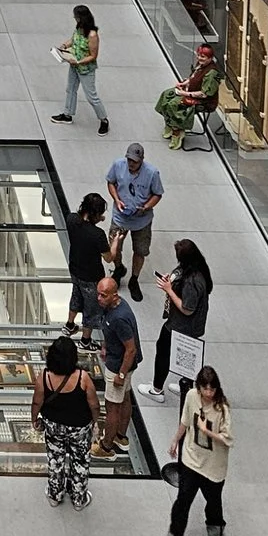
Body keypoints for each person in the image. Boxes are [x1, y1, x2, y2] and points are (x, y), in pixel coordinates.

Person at [159, 366, 232, 536]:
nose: (208, 393)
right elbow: (185, 420)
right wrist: (175, 440)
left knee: (213, 500)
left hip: (213, 464)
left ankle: (215, 526)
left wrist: (207, 431)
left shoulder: (221, 409)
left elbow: (227, 438)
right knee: (182, 499)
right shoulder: (191, 396)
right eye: (205, 388)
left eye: (212, 389)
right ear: (199, 387)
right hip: (191, 459)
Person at [33, 332, 100, 508]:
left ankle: (55, 495)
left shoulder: (44, 377)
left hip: (54, 426)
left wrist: (34, 419)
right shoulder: (82, 378)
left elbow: (37, 401)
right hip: (79, 427)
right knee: (80, 460)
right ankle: (78, 499)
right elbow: (94, 404)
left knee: (55, 459)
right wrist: (95, 422)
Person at [83, 274, 142, 457]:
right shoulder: (113, 308)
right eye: (98, 294)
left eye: (103, 295)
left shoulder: (119, 318)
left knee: (112, 407)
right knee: (124, 398)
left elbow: (130, 349)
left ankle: (106, 446)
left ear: (114, 295)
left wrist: (121, 374)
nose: (99, 299)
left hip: (119, 366)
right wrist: (106, 346)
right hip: (121, 362)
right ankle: (120, 436)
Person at [151, 237, 212, 394]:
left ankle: (156, 389)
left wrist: (169, 290)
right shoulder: (199, 269)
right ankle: (186, 385)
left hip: (181, 326)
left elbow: (187, 309)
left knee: (164, 353)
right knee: (187, 356)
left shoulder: (192, 281)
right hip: (190, 326)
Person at [104, 142, 164, 298]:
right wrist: (117, 199)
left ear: (142, 160)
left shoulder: (152, 173)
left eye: (135, 161)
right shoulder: (118, 165)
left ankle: (134, 279)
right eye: (129, 160)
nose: (131, 164)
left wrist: (146, 207)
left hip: (142, 220)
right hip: (120, 217)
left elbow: (157, 194)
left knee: (140, 250)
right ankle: (118, 268)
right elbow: (110, 182)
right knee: (114, 249)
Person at [52, 3, 109, 133]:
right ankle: (67, 114)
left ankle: (104, 119)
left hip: (85, 69)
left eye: (76, 17)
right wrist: (64, 46)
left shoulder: (92, 35)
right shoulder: (79, 28)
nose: (75, 19)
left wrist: (79, 62)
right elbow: (73, 40)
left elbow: (93, 56)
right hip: (74, 65)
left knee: (91, 96)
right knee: (70, 89)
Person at [63, 192, 111, 329]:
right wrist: (116, 243)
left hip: (75, 269)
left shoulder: (71, 219)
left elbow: (83, 223)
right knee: (92, 309)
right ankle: (86, 340)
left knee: (76, 296)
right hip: (91, 277)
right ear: (95, 214)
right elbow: (108, 258)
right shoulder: (98, 235)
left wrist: (97, 219)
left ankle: (70, 324)